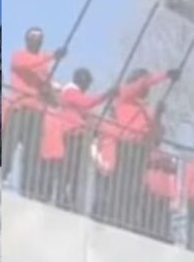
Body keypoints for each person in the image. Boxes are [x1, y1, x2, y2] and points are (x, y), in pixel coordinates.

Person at [108, 68, 179, 227]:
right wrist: (165, 75)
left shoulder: (145, 109)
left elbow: (156, 135)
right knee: (123, 182)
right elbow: (142, 83)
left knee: (134, 185)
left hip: (141, 148)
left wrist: (158, 114)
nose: (148, 88)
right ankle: (116, 215)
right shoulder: (125, 95)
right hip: (127, 144)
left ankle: (127, 218)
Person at [39, 68, 116, 209]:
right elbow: (86, 103)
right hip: (71, 136)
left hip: (79, 136)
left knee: (75, 171)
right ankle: (62, 197)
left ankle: (70, 199)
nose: (88, 87)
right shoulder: (70, 92)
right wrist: (105, 95)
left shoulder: (76, 94)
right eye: (87, 83)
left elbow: (87, 112)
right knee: (68, 168)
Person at [4, 27, 66, 193]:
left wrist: (49, 93)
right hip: (19, 108)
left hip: (36, 113)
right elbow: (26, 66)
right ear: (27, 40)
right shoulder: (18, 55)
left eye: (40, 38)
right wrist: (52, 56)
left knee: (32, 154)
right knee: (8, 146)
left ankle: (28, 188)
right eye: (33, 37)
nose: (37, 41)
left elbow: (48, 89)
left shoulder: (44, 66)